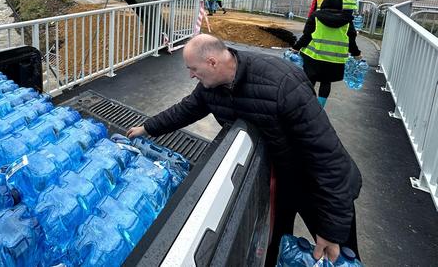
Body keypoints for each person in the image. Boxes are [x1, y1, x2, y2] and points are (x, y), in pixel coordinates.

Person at [127, 33, 361, 266]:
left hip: (318, 187)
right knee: (275, 246)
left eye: (193, 69)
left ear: (212, 62)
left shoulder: (282, 83)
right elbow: (185, 110)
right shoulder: (210, 86)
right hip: (279, 180)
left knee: (339, 255)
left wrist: (331, 228)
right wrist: (147, 128)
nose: (190, 75)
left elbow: (328, 158)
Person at [292, 0, 360, 108]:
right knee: (326, 82)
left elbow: (307, 36)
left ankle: (306, 105)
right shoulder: (347, 21)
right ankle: (319, 108)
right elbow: (351, 40)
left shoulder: (316, 16)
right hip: (335, 61)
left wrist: (295, 48)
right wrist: (356, 54)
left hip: (314, 57)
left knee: (310, 81)